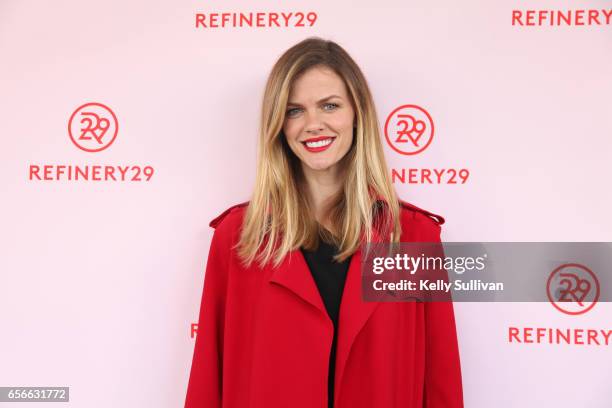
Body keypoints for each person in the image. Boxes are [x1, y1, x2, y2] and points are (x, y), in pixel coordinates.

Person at [184, 37, 463, 408]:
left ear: (357, 113)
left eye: (329, 105)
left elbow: (440, 380)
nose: (313, 124)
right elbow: (207, 379)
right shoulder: (238, 237)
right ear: (278, 124)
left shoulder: (413, 237)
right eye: (294, 110)